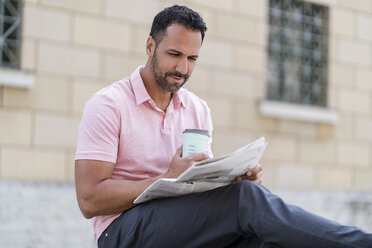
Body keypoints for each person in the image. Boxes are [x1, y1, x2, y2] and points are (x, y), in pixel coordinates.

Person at [75, 5, 372, 248]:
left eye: (192, 59)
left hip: (178, 221)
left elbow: (198, 185)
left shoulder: (197, 109)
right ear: (150, 45)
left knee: (261, 234)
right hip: (122, 232)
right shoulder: (108, 105)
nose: (183, 69)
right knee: (247, 202)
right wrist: (166, 178)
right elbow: (89, 200)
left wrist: (231, 179)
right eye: (174, 55)